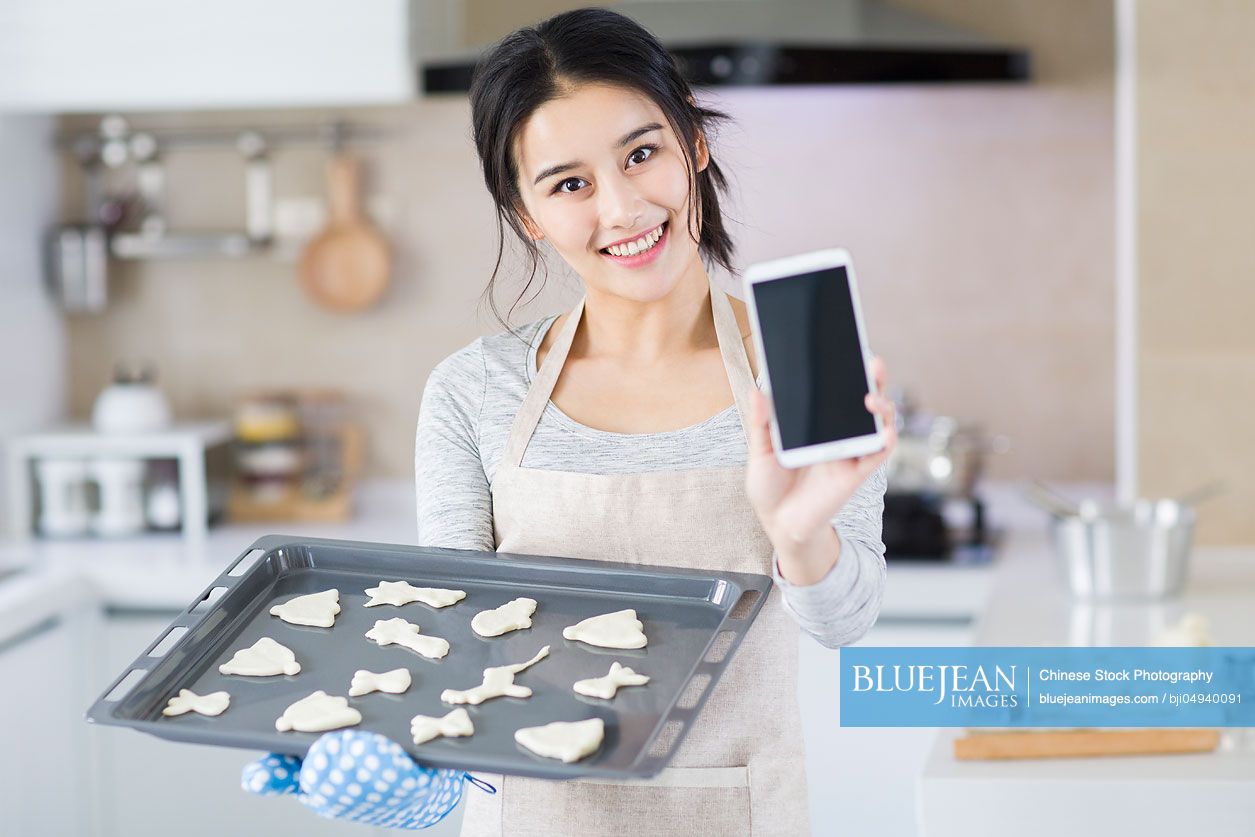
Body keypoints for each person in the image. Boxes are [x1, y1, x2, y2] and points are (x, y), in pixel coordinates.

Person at [245, 7, 897, 835]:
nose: (622, 208)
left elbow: (846, 622)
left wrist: (798, 534)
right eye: (569, 183)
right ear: (526, 212)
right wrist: (416, 785)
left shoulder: (801, 368)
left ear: (693, 142)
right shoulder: (473, 390)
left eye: (641, 153)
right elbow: (447, 642)